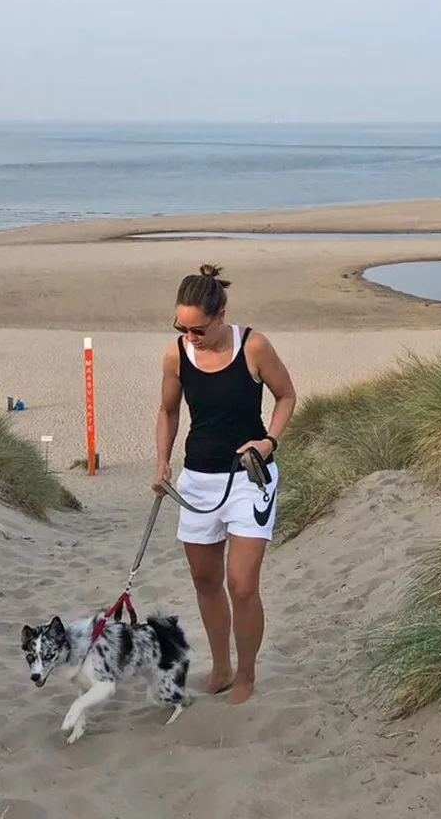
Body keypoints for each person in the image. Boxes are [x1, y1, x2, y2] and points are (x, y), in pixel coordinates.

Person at [154, 263, 296, 706]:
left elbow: (286, 395)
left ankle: (247, 676)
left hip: (249, 479)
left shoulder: (254, 346)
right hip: (197, 479)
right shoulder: (176, 354)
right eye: (183, 327)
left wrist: (269, 440)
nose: (190, 335)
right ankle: (221, 666)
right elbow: (168, 411)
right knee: (205, 578)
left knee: (241, 584)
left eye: (198, 328)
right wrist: (162, 462)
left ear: (220, 315)